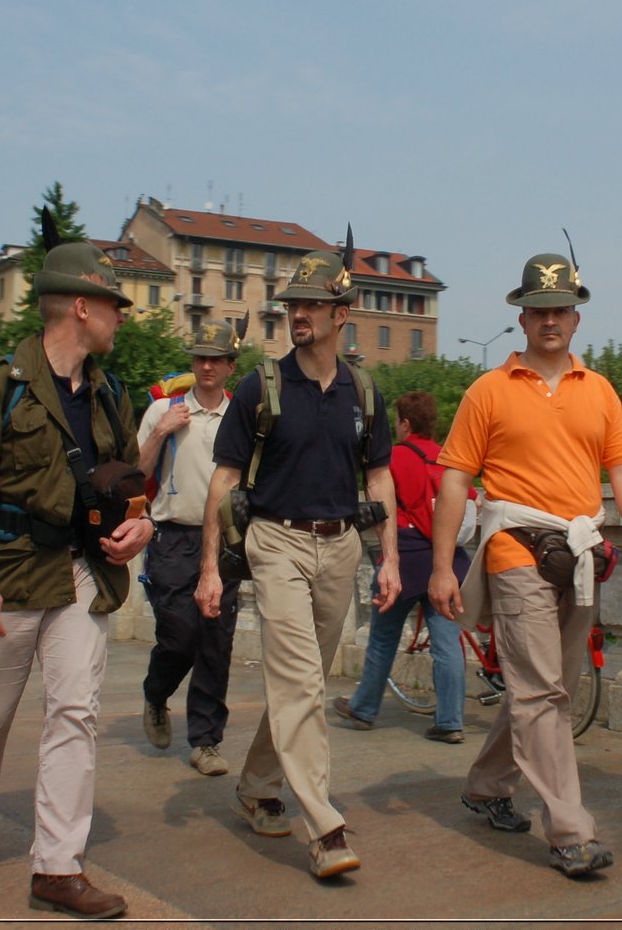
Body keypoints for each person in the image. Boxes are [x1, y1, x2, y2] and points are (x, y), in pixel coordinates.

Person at [0, 241, 154, 919]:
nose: (123, 318)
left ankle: (57, 868)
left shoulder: (110, 395)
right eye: (115, 306)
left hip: (82, 574)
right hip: (9, 572)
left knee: (75, 712)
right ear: (82, 307)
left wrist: (141, 525)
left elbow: (129, 480)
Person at [427, 252, 622, 878]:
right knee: (541, 690)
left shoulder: (600, 390)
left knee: (553, 686)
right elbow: (454, 482)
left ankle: (486, 784)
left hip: (579, 553)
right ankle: (569, 831)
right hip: (514, 551)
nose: (548, 320)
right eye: (537, 311)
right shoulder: (489, 390)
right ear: (522, 319)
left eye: (559, 310)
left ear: (575, 318)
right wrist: (444, 565)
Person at [197, 247, 400, 881]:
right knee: (303, 683)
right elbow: (224, 480)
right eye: (293, 305)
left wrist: (388, 556)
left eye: (312, 304)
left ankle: (257, 787)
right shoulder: (260, 387)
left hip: (341, 547)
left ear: (343, 313)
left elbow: (380, 476)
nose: (298, 314)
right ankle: (325, 826)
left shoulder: (363, 391)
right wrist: (209, 568)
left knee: (299, 685)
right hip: (276, 542)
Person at [333, 391, 474, 743]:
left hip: (407, 559)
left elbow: (378, 506)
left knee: (382, 638)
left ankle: (364, 709)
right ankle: (451, 721)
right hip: (448, 563)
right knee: (448, 644)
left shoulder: (395, 457)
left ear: (406, 423)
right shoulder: (449, 458)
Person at [137, 318, 242, 777]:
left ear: (229, 367)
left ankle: (205, 740)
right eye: (200, 358)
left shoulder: (241, 414)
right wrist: (162, 431)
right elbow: (134, 469)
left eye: (215, 359)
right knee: (179, 635)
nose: (206, 366)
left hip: (225, 540)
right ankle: (157, 695)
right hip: (173, 538)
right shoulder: (164, 410)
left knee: (215, 643)